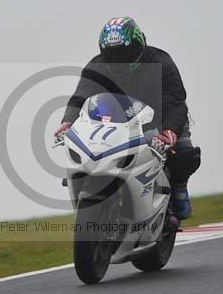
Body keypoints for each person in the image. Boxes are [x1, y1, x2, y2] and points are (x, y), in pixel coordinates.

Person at [54, 17, 201, 220]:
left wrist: (169, 132)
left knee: (183, 153)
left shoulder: (161, 61)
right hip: (117, 123)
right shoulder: (96, 66)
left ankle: (178, 188)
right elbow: (81, 95)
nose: (118, 59)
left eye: (123, 53)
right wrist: (67, 122)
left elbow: (175, 101)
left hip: (160, 120)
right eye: (111, 54)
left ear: (138, 46)